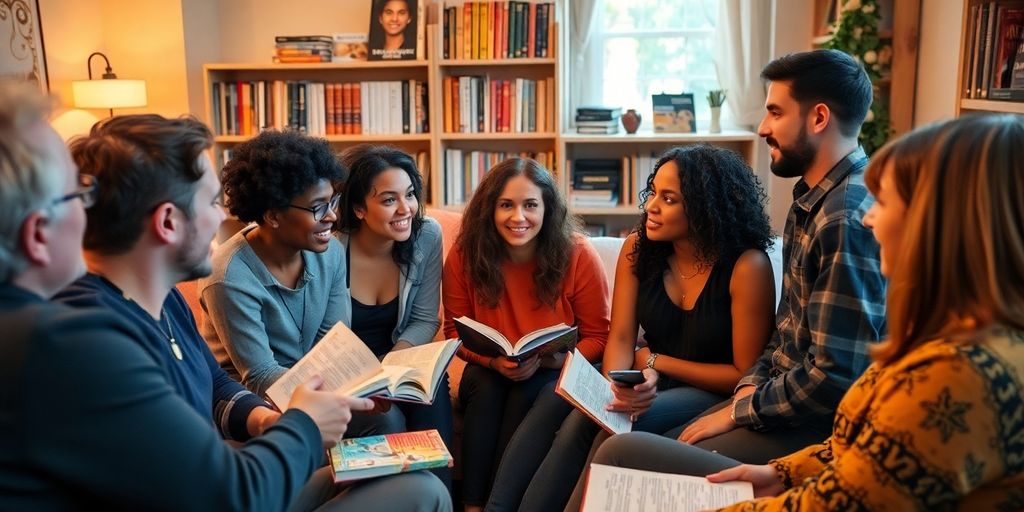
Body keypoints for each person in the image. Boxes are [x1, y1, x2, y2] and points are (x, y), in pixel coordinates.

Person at [0, 82, 447, 511]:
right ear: (168, 222)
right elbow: (231, 493)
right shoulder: (72, 341)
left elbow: (214, 385)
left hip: (236, 473)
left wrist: (264, 420)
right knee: (421, 492)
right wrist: (305, 425)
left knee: (405, 476)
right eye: (212, 201)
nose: (223, 217)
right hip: (233, 490)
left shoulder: (163, 301)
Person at [586, 113, 1024, 511]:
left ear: (941, 223)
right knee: (612, 444)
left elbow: (835, 502)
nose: (868, 219)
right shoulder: (954, 341)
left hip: (766, 415)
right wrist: (783, 473)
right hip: (772, 421)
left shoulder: (955, 376)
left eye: (886, 203)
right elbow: (852, 449)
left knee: (623, 456)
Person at [487, 145, 777, 512]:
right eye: (653, 192)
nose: (650, 206)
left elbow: (742, 374)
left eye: (668, 199)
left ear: (706, 208)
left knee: (592, 425)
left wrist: (654, 362)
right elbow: (621, 336)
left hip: (708, 391)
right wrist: (616, 386)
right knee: (557, 400)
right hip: (645, 377)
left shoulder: (748, 267)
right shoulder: (638, 249)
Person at [442, 157, 610, 512]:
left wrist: (553, 358)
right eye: (506, 205)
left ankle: (496, 504)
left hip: (551, 368)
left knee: (525, 394)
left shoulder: (577, 254)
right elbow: (452, 332)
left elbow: (599, 337)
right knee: (488, 389)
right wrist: (492, 360)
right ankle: (471, 504)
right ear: (490, 208)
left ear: (547, 208)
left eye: (530, 205)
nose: (518, 217)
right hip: (487, 367)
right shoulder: (464, 255)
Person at [334, 144, 453, 490]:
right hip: (347, 371)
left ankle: (442, 498)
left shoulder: (426, 235)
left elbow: (425, 319)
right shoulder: (329, 249)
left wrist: (392, 366)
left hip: (398, 359)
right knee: (389, 416)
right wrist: (370, 377)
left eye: (410, 194)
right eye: (389, 200)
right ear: (358, 208)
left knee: (434, 387)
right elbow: (320, 335)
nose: (406, 210)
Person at [200, 129, 348, 399]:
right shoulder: (228, 275)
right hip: (252, 400)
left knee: (388, 417)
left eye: (332, 202)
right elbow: (260, 375)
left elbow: (335, 342)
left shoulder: (331, 252)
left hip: (316, 387)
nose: (332, 217)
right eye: (318, 207)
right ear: (273, 216)